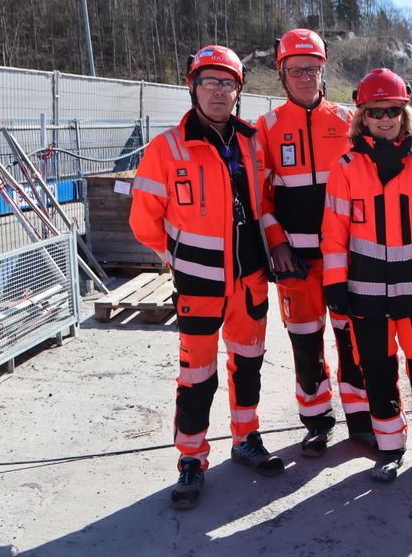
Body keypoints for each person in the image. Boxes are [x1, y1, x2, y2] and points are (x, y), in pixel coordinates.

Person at [130, 45, 283, 510]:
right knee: (196, 377)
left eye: (228, 83)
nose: (219, 91)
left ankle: (245, 438)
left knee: (248, 365)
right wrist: (178, 258)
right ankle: (192, 460)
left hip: (249, 280)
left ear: (239, 89)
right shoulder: (167, 148)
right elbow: (143, 221)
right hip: (198, 286)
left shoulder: (254, 142)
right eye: (210, 81)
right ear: (192, 86)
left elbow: (268, 203)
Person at [321, 68, 412, 489]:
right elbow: (334, 232)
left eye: (394, 111)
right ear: (362, 116)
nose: (385, 119)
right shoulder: (345, 167)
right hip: (366, 293)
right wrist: (335, 283)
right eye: (376, 112)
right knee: (378, 372)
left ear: (405, 114)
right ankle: (389, 450)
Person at [255, 29, 373, 457]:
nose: (305, 77)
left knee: (352, 338)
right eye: (295, 70)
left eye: (312, 68)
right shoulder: (265, 128)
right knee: (305, 341)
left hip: (346, 257)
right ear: (282, 74)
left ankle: (361, 418)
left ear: (324, 69)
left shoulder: (347, 122)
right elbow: (261, 197)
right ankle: (317, 421)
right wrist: (276, 243)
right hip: (295, 261)